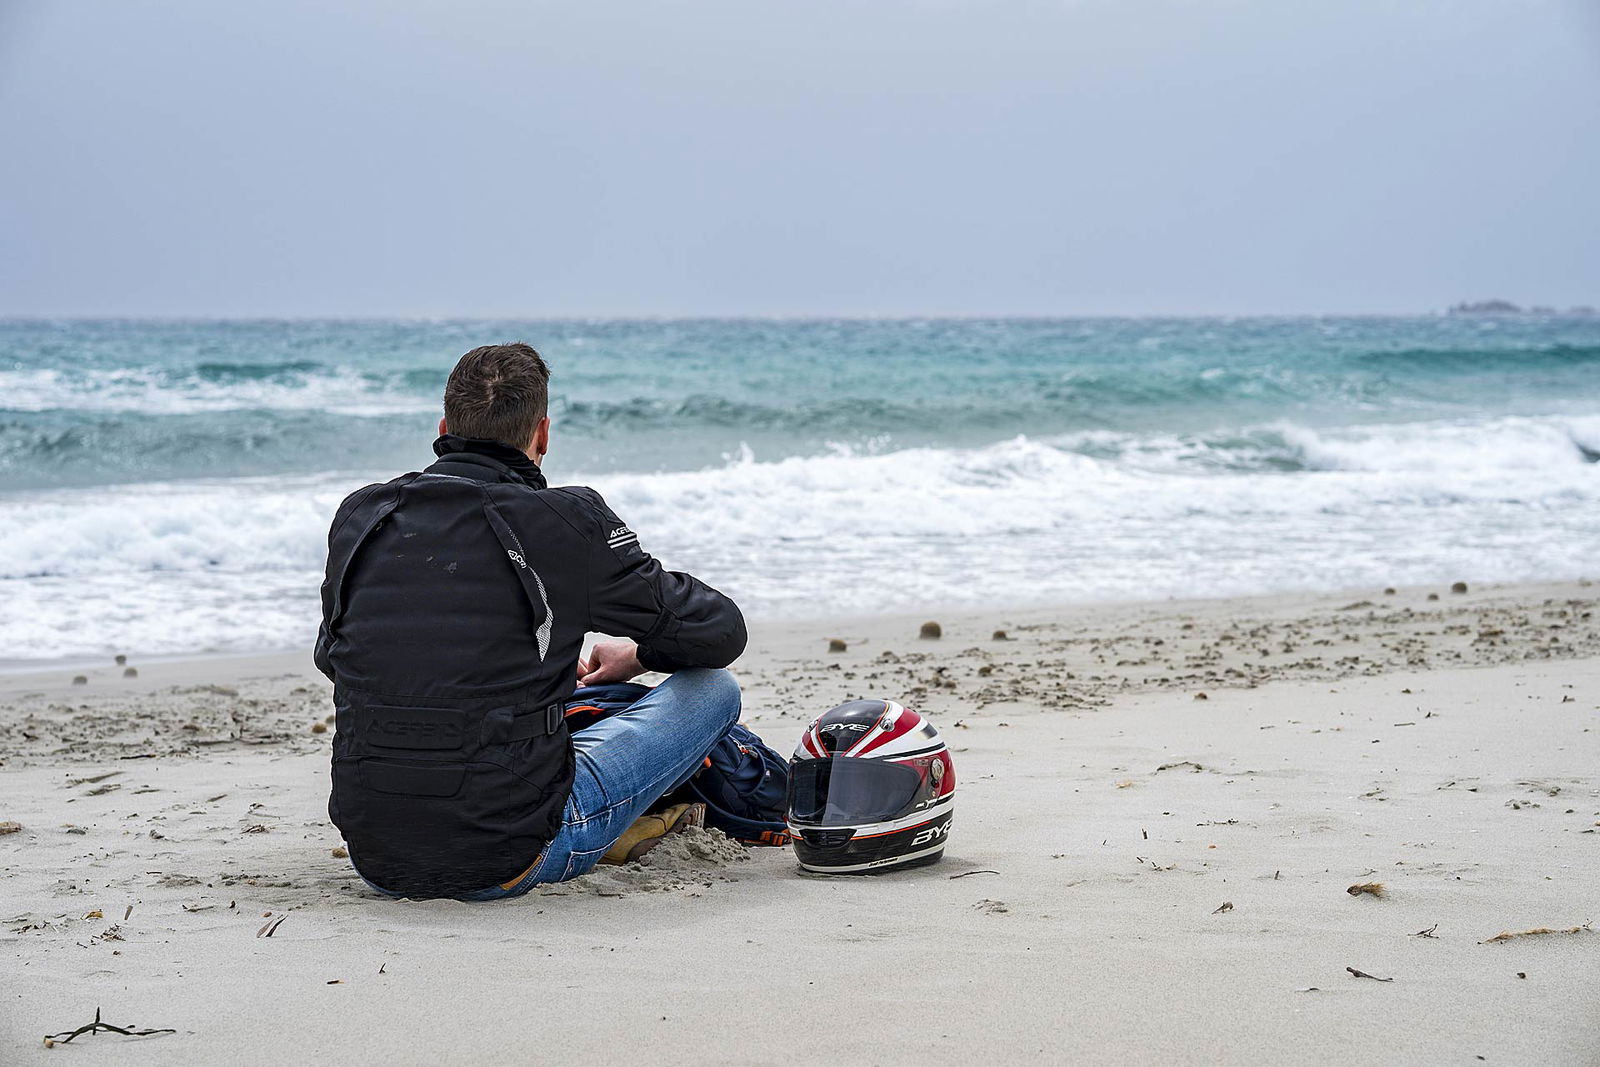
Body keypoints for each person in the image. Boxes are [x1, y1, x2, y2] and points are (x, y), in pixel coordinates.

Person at [314, 342, 747, 900]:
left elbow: (336, 658)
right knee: (713, 688)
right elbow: (719, 633)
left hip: (375, 852)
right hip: (510, 852)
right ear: (542, 435)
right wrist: (638, 656)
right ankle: (611, 825)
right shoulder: (564, 522)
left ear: (444, 427)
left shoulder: (363, 514)